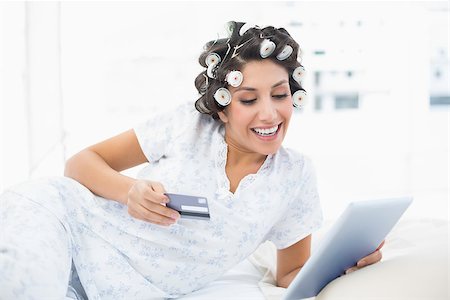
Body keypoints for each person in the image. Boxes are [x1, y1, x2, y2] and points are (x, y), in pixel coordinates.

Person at [0, 21, 383, 299]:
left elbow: (292, 275)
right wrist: (129, 190)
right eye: (249, 99)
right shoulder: (189, 123)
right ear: (221, 108)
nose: (269, 114)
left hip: (121, 289)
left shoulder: (295, 177)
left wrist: (346, 265)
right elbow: (81, 164)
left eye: (280, 95)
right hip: (64, 225)